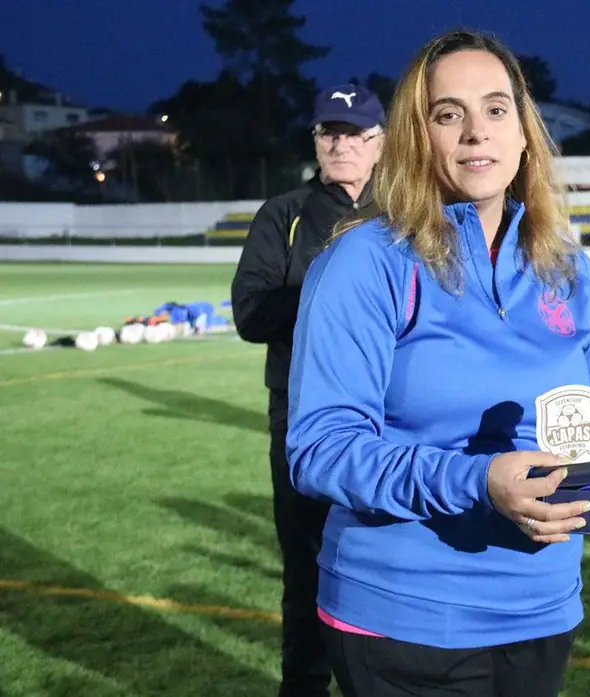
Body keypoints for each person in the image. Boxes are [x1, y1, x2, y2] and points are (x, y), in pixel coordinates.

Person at [284, 29, 590, 697]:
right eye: (449, 114)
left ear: (526, 132)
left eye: (496, 109)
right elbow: (321, 448)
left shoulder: (568, 267)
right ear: (419, 136)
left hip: (544, 606)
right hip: (404, 620)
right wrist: (477, 480)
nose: (477, 132)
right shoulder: (365, 262)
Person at [231, 82, 386, 697]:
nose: (340, 144)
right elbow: (251, 314)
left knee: (385, 564)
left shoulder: (405, 212)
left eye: (353, 133)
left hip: (392, 416)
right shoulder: (284, 214)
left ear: (382, 142)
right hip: (302, 418)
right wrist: (339, 292)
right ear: (316, 141)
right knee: (307, 568)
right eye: (329, 133)